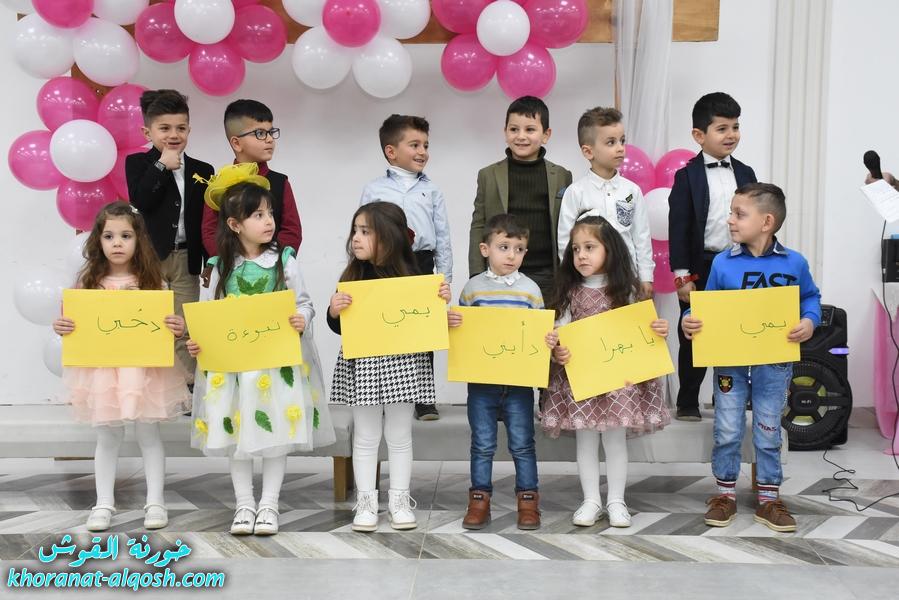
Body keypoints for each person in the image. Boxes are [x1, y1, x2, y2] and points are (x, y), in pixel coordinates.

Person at [187, 169, 334, 536]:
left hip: (274, 365)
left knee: (275, 433)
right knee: (236, 435)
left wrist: (301, 318)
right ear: (234, 224)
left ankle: (269, 504)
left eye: (269, 213)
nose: (268, 221)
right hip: (233, 368)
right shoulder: (218, 267)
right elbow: (207, 316)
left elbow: (305, 304)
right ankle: (244, 504)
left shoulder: (284, 260)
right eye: (257, 215)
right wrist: (198, 341)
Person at [682, 183, 820, 533]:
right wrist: (690, 319)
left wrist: (809, 320)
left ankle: (769, 498)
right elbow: (705, 307)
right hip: (729, 363)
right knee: (727, 428)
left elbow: (810, 298)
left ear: (766, 222)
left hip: (774, 363)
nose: (730, 220)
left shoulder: (795, 262)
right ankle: (724, 495)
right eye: (731, 212)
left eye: (739, 214)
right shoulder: (722, 263)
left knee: (768, 430)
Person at [53, 202, 190, 532]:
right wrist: (62, 326)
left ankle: (155, 502)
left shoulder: (152, 283)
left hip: (144, 370)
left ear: (138, 239)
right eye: (109, 236)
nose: (117, 243)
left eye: (126, 236)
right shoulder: (88, 284)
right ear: (98, 241)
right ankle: (103, 503)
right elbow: (74, 322)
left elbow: (165, 323)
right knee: (107, 435)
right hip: (104, 370)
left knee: (148, 433)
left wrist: (176, 326)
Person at [328, 201, 451, 532]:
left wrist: (440, 300)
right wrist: (334, 311)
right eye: (355, 231)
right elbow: (340, 327)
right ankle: (366, 501)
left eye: (365, 232)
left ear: (389, 237)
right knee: (366, 435)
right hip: (364, 364)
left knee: (399, 434)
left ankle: (399, 500)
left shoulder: (415, 278)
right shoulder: (352, 276)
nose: (356, 238)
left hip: (404, 363)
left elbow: (428, 323)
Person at [543, 215, 670, 528]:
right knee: (585, 442)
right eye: (576, 249)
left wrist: (658, 329)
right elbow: (560, 332)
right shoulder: (569, 291)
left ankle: (616, 501)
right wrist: (558, 348)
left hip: (617, 383)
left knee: (614, 441)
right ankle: (591, 500)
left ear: (609, 250)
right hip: (582, 380)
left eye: (590, 247)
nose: (581, 255)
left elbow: (642, 330)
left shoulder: (626, 291)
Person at [453, 214, 555, 531]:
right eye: (504, 247)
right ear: (485, 249)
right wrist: (453, 324)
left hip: (518, 385)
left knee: (522, 443)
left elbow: (540, 334)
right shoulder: (472, 290)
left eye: (519, 249)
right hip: (481, 384)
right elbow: (463, 336)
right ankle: (478, 501)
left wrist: (548, 339)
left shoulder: (530, 290)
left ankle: (528, 502)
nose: (512, 255)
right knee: (482, 443)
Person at [667, 92, 757, 421]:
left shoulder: (746, 173)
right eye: (722, 128)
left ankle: (729, 398)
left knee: (737, 332)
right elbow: (678, 227)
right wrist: (682, 276)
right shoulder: (686, 176)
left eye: (735, 127)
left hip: (738, 264)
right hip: (701, 266)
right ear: (699, 135)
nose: (731, 134)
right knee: (694, 333)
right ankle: (688, 401)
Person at [360, 114, 452, 422]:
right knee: (387, 327)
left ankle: (424, 398)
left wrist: (445, 278)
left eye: (426, 145)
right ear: (391, 151)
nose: (422, 151)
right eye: (414, 145)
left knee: (423, 331)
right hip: (383, 266)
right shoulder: (374, 189)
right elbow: (363, 230)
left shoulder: (432, 190)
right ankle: (386, 393)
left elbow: (442, 236)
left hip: (421, 263)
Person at [125, 89, 213, 388]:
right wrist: (162, 165)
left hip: (187, 259)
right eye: (164, 128)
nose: (174, 135)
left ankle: (185, 389)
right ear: (147, 132)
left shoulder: (203, 170)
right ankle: (149, 388)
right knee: (149, 323)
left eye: (181, 128)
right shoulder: (138, 164)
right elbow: (141, 200)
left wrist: (208, 260)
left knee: (183, 327)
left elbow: (206, 219)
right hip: (150, 258)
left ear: (189, 129)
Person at [469, 96, 572, 304]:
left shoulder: (562, 175)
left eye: (530, 129)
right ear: (505, 132)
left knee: (545, 323)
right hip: (499, 272)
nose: (521, 136)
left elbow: (568, 225)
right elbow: (479, 224)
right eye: (514, 129)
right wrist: (477, 273)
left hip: (546, 272)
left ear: (546, 135)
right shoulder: (488, 175)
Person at [557, 107, 654, 300]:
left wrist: (646, 276)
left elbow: (641, 237)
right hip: (587, 283)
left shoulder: (632, 191)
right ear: (588, 151)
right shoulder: (576, 192)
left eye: (622, 141)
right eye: (611, 142)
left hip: (627, 281)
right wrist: (572, 278)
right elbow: (565, 241)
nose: (620, 148)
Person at [201, 99, 302, 257]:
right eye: (260, 133)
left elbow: (292, 230)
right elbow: (210, 231)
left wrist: (269, 261)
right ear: (236, 143)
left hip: (272, 267)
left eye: (271, 132)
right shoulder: (219, 185)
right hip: (231, 267)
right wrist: (231, 261)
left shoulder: (280, 182)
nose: (270, 139)